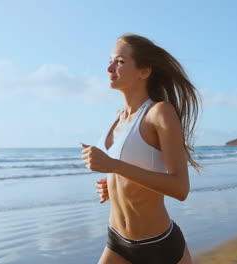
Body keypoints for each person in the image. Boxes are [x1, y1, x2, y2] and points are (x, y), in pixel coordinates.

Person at [81, 33, 201, 264]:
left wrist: (113, 165)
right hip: (117, 241)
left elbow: (180, 187)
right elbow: (132, 168)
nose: (109, 68)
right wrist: (113, 185)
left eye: (120, 61)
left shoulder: (160, 113)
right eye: (110, 60)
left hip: (159, 246)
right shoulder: (116, 118)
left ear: (144, 71)